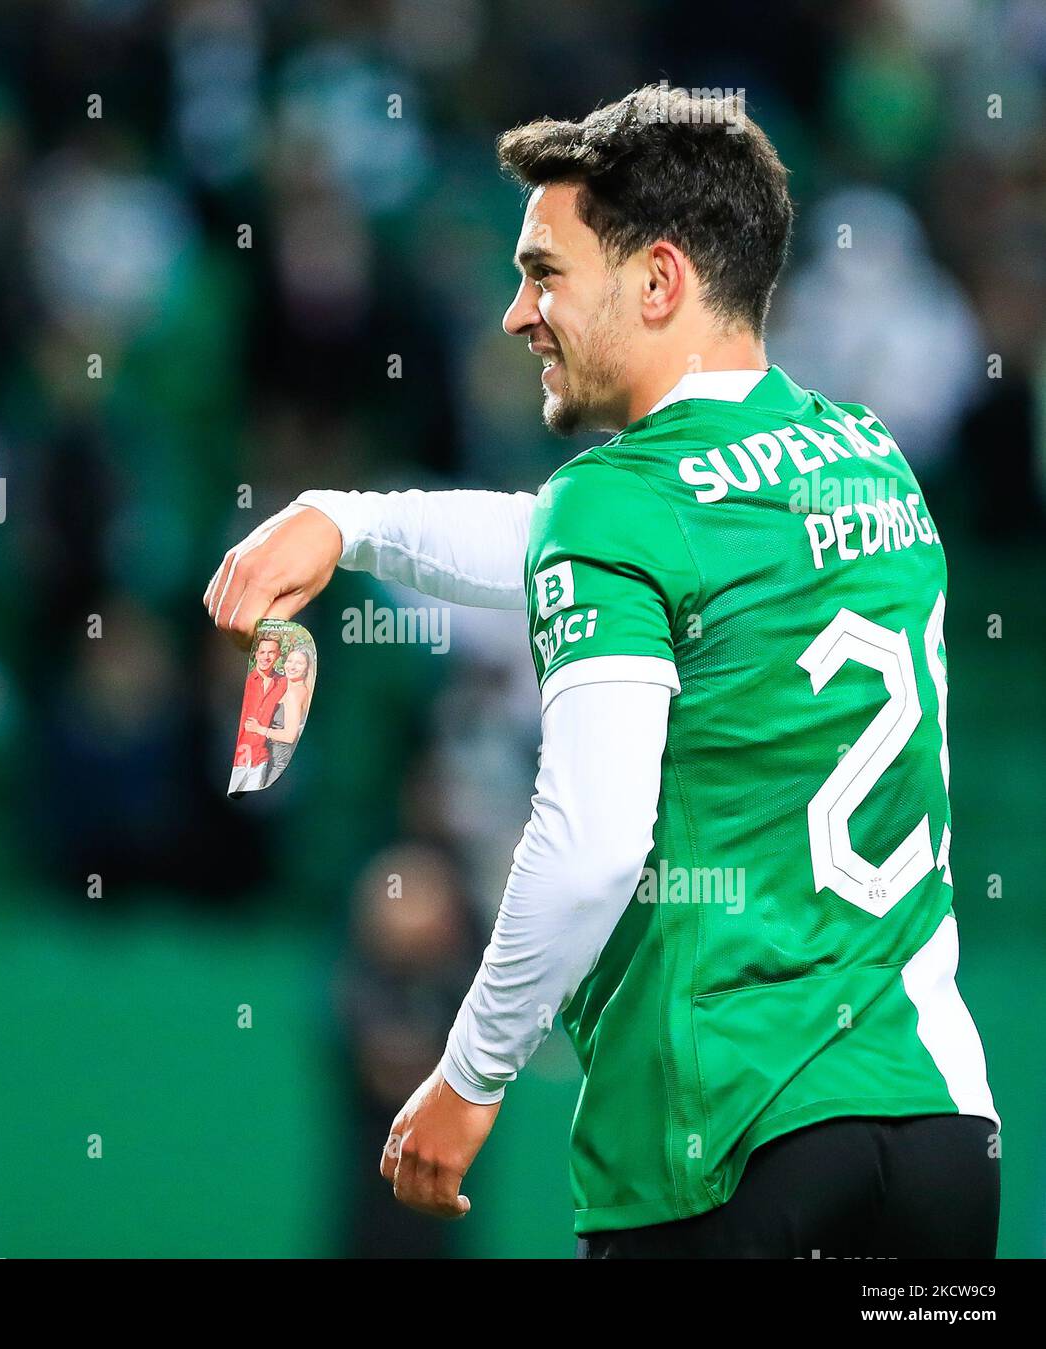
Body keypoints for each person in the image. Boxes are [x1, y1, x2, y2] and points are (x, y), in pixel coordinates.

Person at [204, 85, 999, 1258]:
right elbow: (582, 545)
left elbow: (589, 845)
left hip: (722, 1144)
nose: (517, 311)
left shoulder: (616, 506)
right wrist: (346, 519)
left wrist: (467, 1078)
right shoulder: (865, 460)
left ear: (659, 280)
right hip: (937, 1137)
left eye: (543, 272)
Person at [243, 644, 313, 786]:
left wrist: (259, 729)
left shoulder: (295, 693)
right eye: (290, 661)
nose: (292, 666)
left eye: (299, 663)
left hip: (278, 764)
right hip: (269, 758)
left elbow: (290, 736)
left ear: (307, 669)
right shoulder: (291, 687)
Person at [229, 635, 286, 794]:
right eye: (262, 652)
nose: (266, 657)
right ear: (256, 654)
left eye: (271, 653)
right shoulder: (247, 681)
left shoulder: (283, 683)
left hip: (270, 764)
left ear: (278, 655)